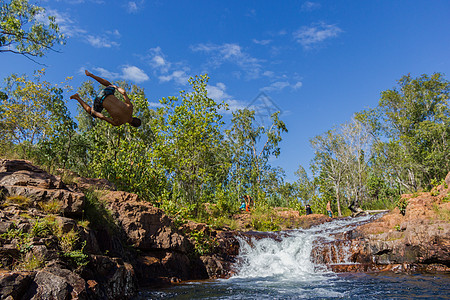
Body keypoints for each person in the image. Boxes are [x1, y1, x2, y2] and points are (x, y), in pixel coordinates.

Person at [70, 70, 141, 127]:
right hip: (99, 100)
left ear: (135, 117)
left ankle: (90, 75)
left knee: (110, 85)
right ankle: (77, 97)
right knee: (92, 113)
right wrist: (94, 112)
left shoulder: (130, 108)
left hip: (106, 92)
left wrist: (115, 87)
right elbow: (103, 117)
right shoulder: (118, 123)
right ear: (131, 125)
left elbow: (124, 92)